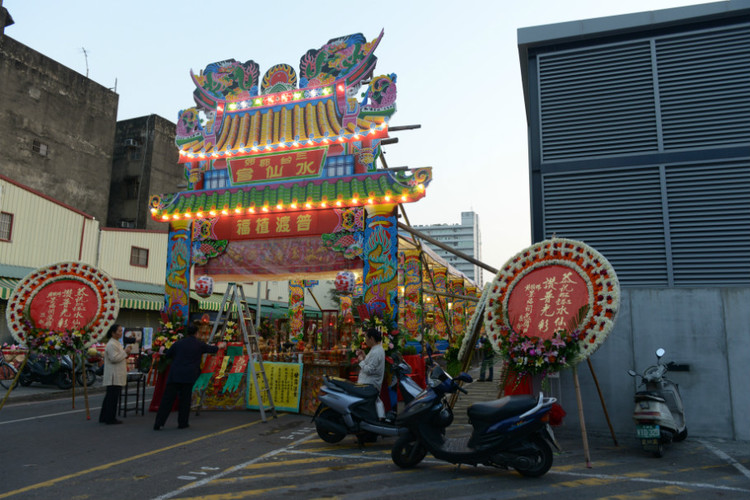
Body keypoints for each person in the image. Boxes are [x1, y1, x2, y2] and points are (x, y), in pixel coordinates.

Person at [153, 325, 224, 430]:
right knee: (185, 400)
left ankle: (158, 423)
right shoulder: (199, 344)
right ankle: (182, 423)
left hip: (175, 375)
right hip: (189, 376)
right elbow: (212, 349)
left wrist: (163, 350)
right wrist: (220, 346)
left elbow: (168, 354)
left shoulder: (178, 343)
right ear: (197, 333)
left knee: (167, 400)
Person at [99, 324, 131, 425]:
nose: (121, 333)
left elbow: (120, 356)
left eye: (121, 331)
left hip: (117, 373)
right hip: (114, 374)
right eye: (119, 331)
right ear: (113, 333)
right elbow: (114, 358)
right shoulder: (111, 344)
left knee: (109, 397)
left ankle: (104, 416)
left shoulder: (116, 343)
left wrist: (126, 353)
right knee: (112, 398)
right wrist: (125, 352)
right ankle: (110, 418)